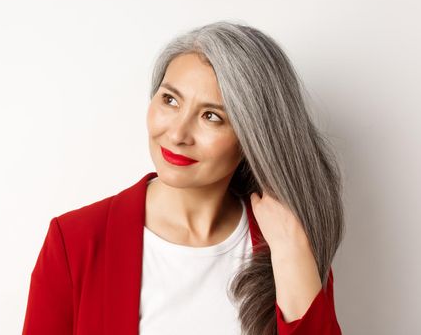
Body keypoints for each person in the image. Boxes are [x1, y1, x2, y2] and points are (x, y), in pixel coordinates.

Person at [22, 20, 344, 335]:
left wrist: (292, 254)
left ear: (252, 137)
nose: (177, 134)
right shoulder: (75, 242)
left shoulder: (286, 241)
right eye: (170, 100)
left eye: (211, 116)